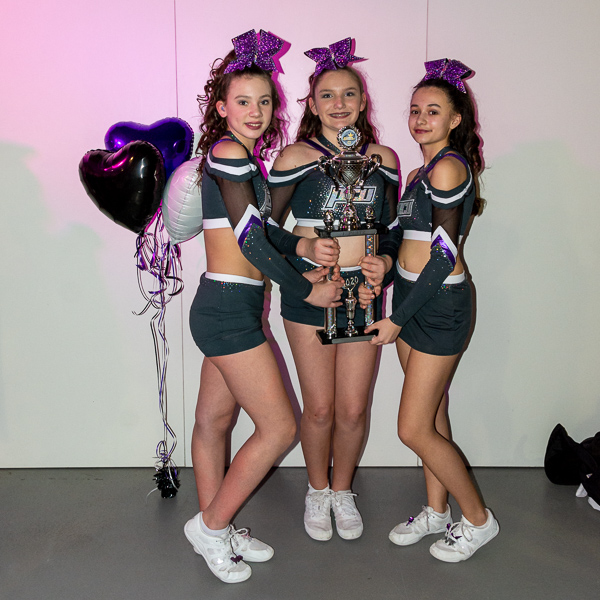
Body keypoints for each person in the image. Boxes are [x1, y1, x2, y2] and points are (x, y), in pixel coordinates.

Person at [184, 30, 344, 584]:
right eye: (243, 101)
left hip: (234, 306)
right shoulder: (228, 153)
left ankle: (218, 527)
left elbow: (264, 232)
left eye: (265, 101)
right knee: (279, 428)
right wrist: (305, 289)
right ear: (221, 108)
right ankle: (210, 527)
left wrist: (302, 248)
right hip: (227, 308)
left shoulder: (246, 162)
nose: (255, 112)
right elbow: (250, 242)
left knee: (213, 421)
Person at [360, 58, 499, 562]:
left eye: (433, 111)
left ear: (455, 119)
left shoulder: (449, 167)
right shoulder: (419, 172)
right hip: (411, 297)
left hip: (439, 305)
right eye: (415, 110)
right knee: (433, 416)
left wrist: (396, 318)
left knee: (412, 428)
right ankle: (437, 512)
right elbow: (403, 237)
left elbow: (442, 256)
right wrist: (382, 267)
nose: (420, 119)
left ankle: (478, 520)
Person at [268, 38, 400, 542]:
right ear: (313, 103)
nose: (339, 104)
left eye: (348, 94)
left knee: (352, 408)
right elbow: (263, 231)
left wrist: (385, 267)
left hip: (363, 296)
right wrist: (300, 263)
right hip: (311, 294)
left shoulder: (383, 158)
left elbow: (392, 230)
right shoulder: (295, 156)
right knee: (319, 408)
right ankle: (317, 489)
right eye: (327, 95)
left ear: (363, 102)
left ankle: (342, 491)